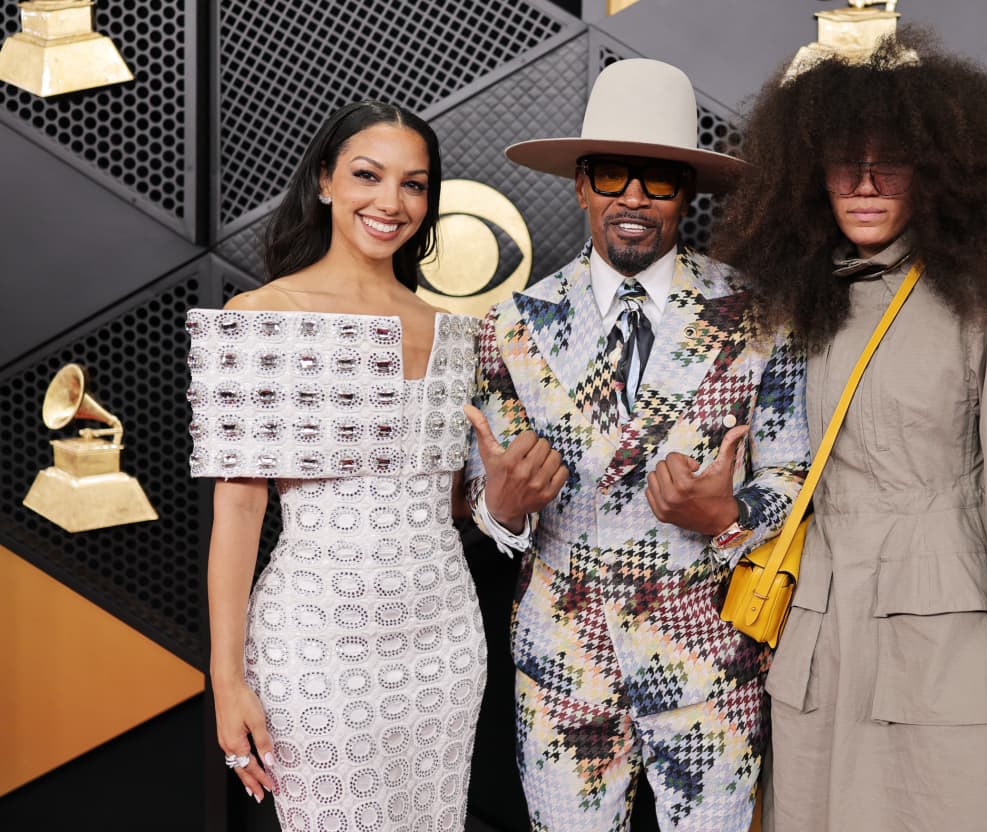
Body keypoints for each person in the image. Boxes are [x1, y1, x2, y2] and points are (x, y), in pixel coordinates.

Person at [714, 36, 987, 832]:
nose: (862, 184)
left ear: (938, 171)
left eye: (889, 162)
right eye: (839, 163)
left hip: (943, 653)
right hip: (818, 654)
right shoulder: (797, 302)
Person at [462, 59, 809, 831]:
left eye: (657, 181)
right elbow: (485, 488)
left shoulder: (759, 316)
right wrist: (503, 508)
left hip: (709, 660)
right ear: (582, 183)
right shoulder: (514, 321)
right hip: (562, 665)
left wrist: (730, 510)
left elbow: (794, 473)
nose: (633, 198)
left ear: (685, 193)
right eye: (613, 176)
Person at [187, 100, 487, 832]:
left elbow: (448, 501)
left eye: (414, 185)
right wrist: (228, 682)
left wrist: (505, 490)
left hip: (445, 644)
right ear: (325, 181)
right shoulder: (265, 315)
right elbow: (239, 513)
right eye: (367, 175)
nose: (391, 202)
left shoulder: (453, 331)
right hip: (317, 646)